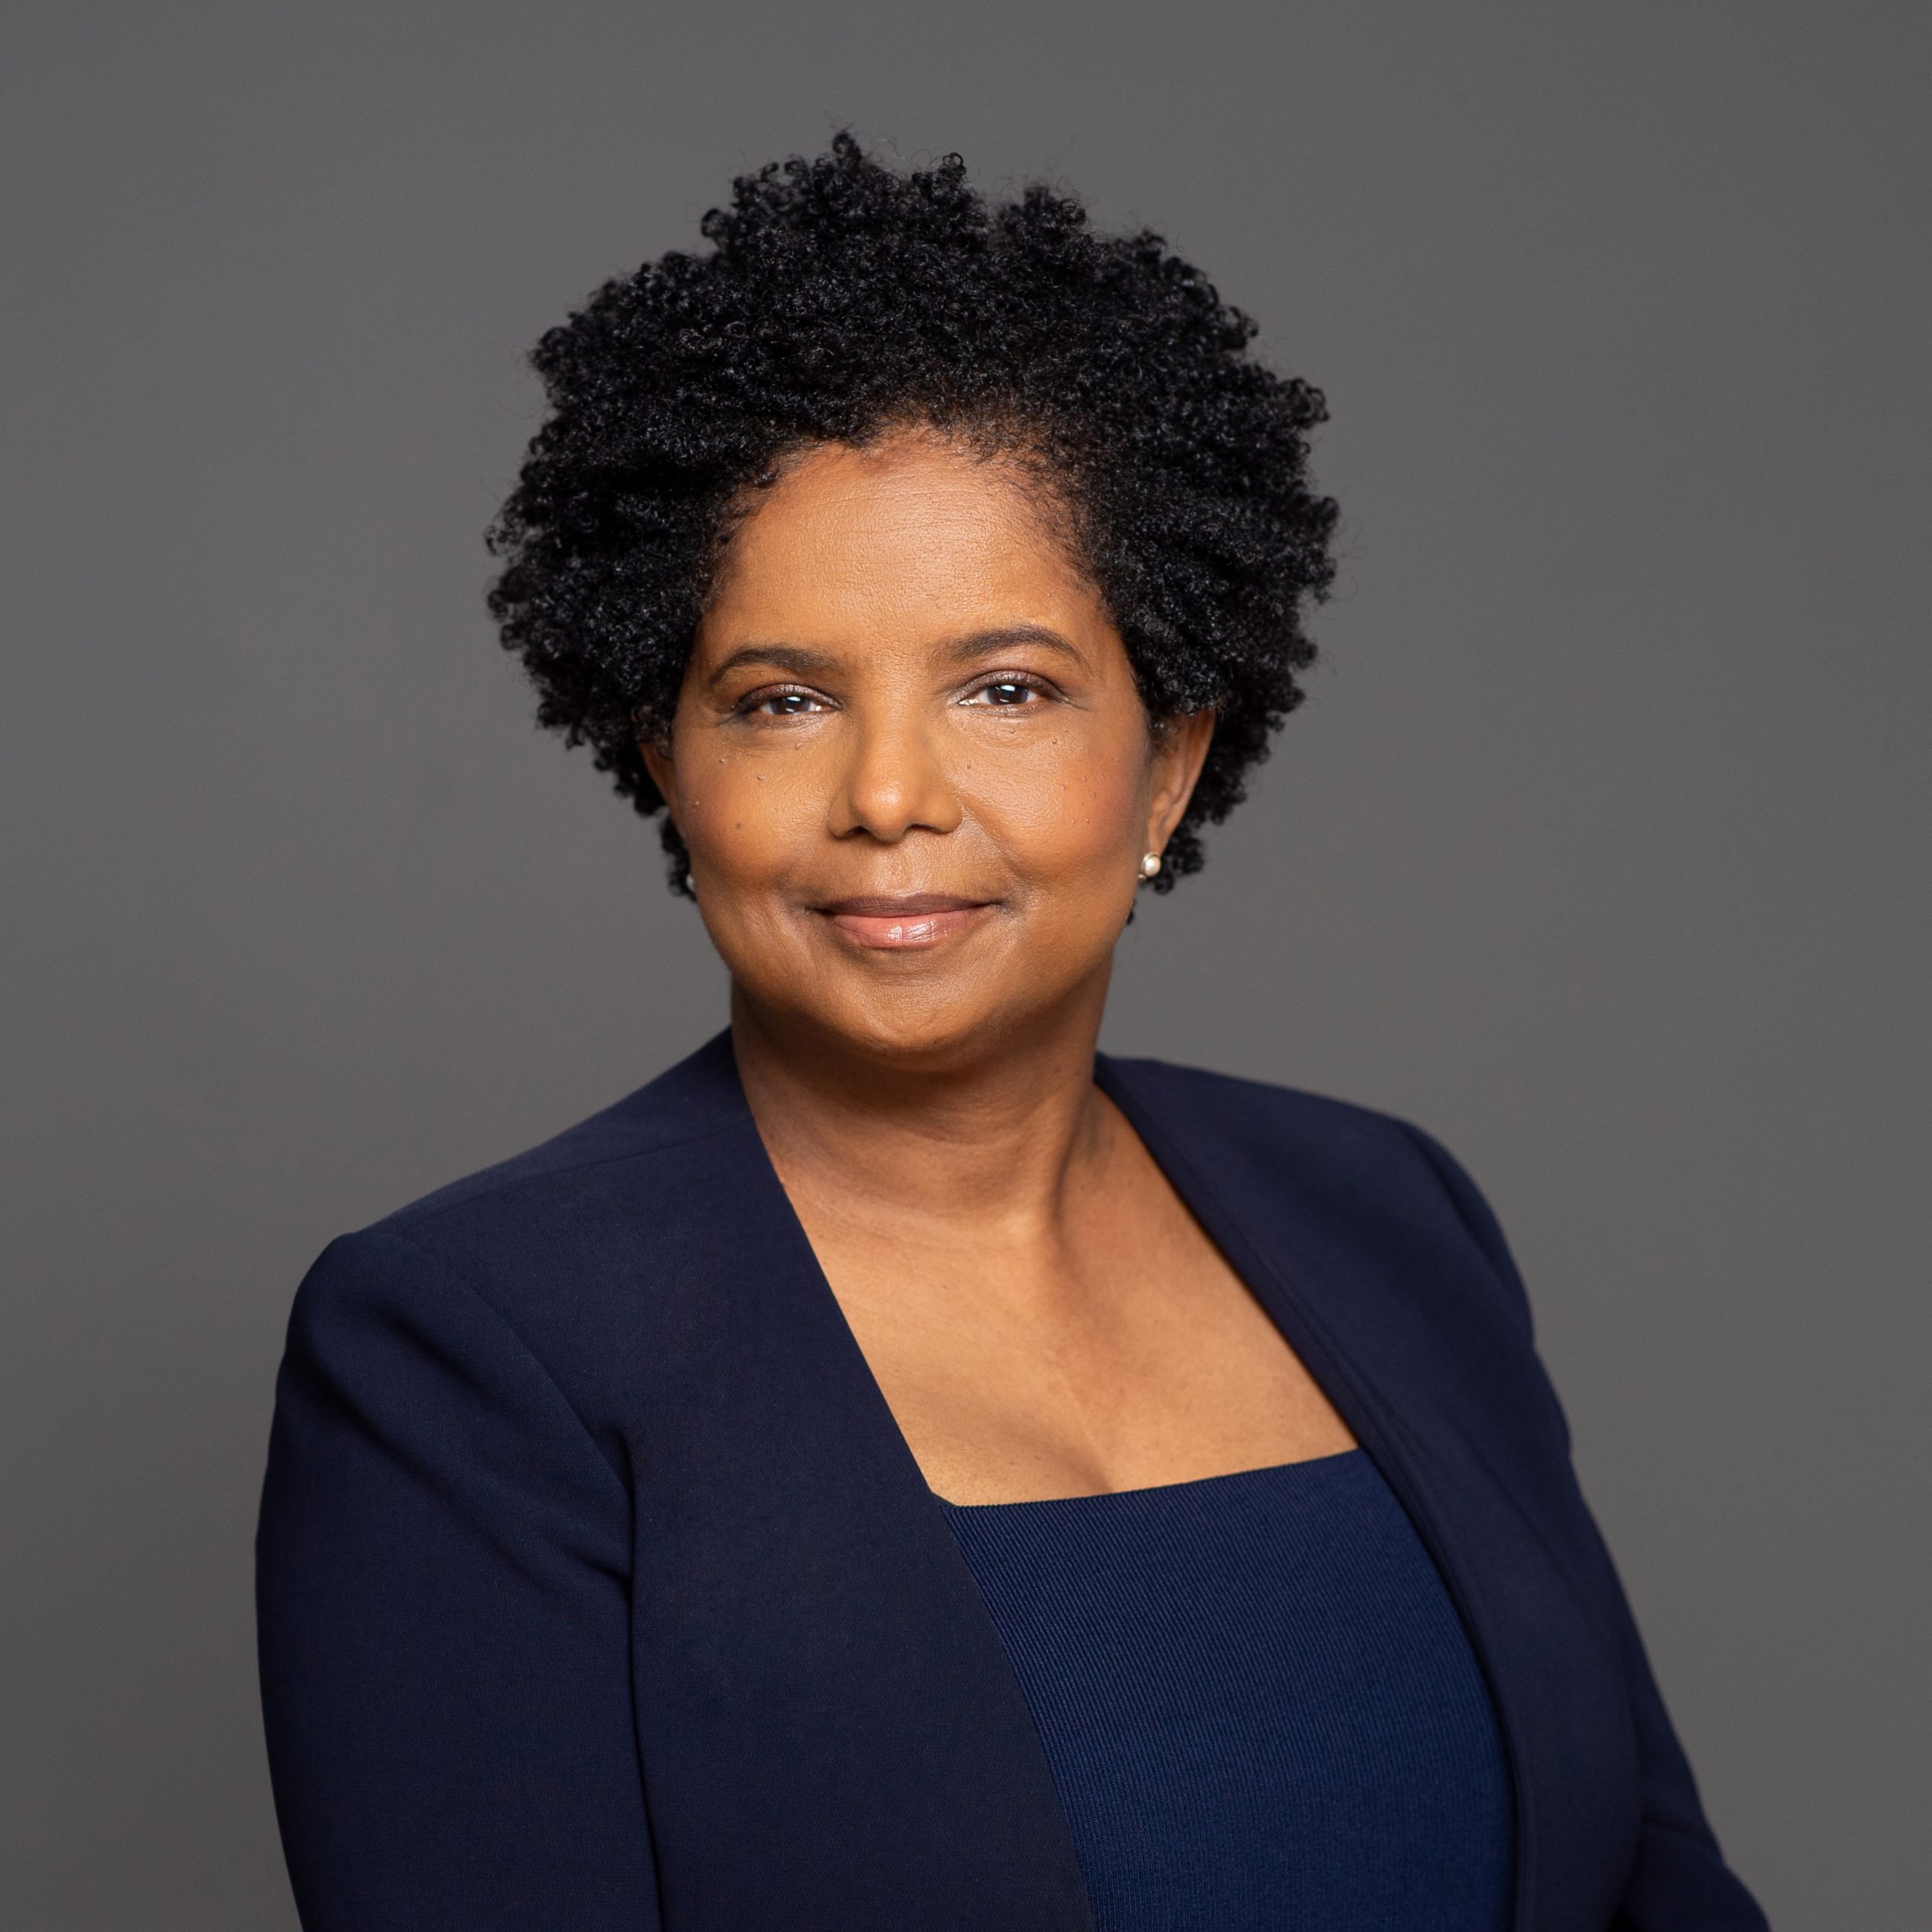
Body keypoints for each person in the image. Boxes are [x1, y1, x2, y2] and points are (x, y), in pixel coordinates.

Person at [255, 137, 1766, 1932]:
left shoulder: (1388, 1215)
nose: (887, 794)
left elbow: (1653, 1883)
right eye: (782, 698)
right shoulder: (471, 1348)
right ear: (670, 762)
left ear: (1172, 758)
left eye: (1005, 687)